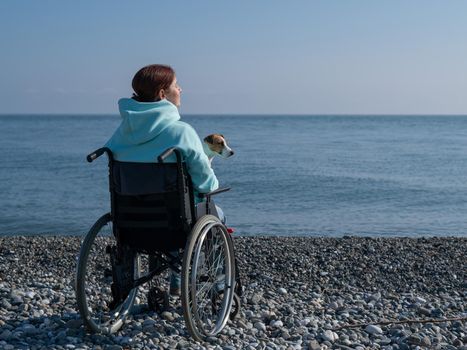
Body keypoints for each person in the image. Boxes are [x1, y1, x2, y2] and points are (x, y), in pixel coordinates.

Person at [105, 64, 219, 296]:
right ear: (162, 94)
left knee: (174, 209)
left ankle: (140, 284)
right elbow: (206, 183)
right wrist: (212, 185)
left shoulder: (121, 133)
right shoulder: (181, 132)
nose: (181, 89)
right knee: (213, 214)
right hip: (174, 224)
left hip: (129, 223)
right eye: (176, 85)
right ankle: (218, 281)